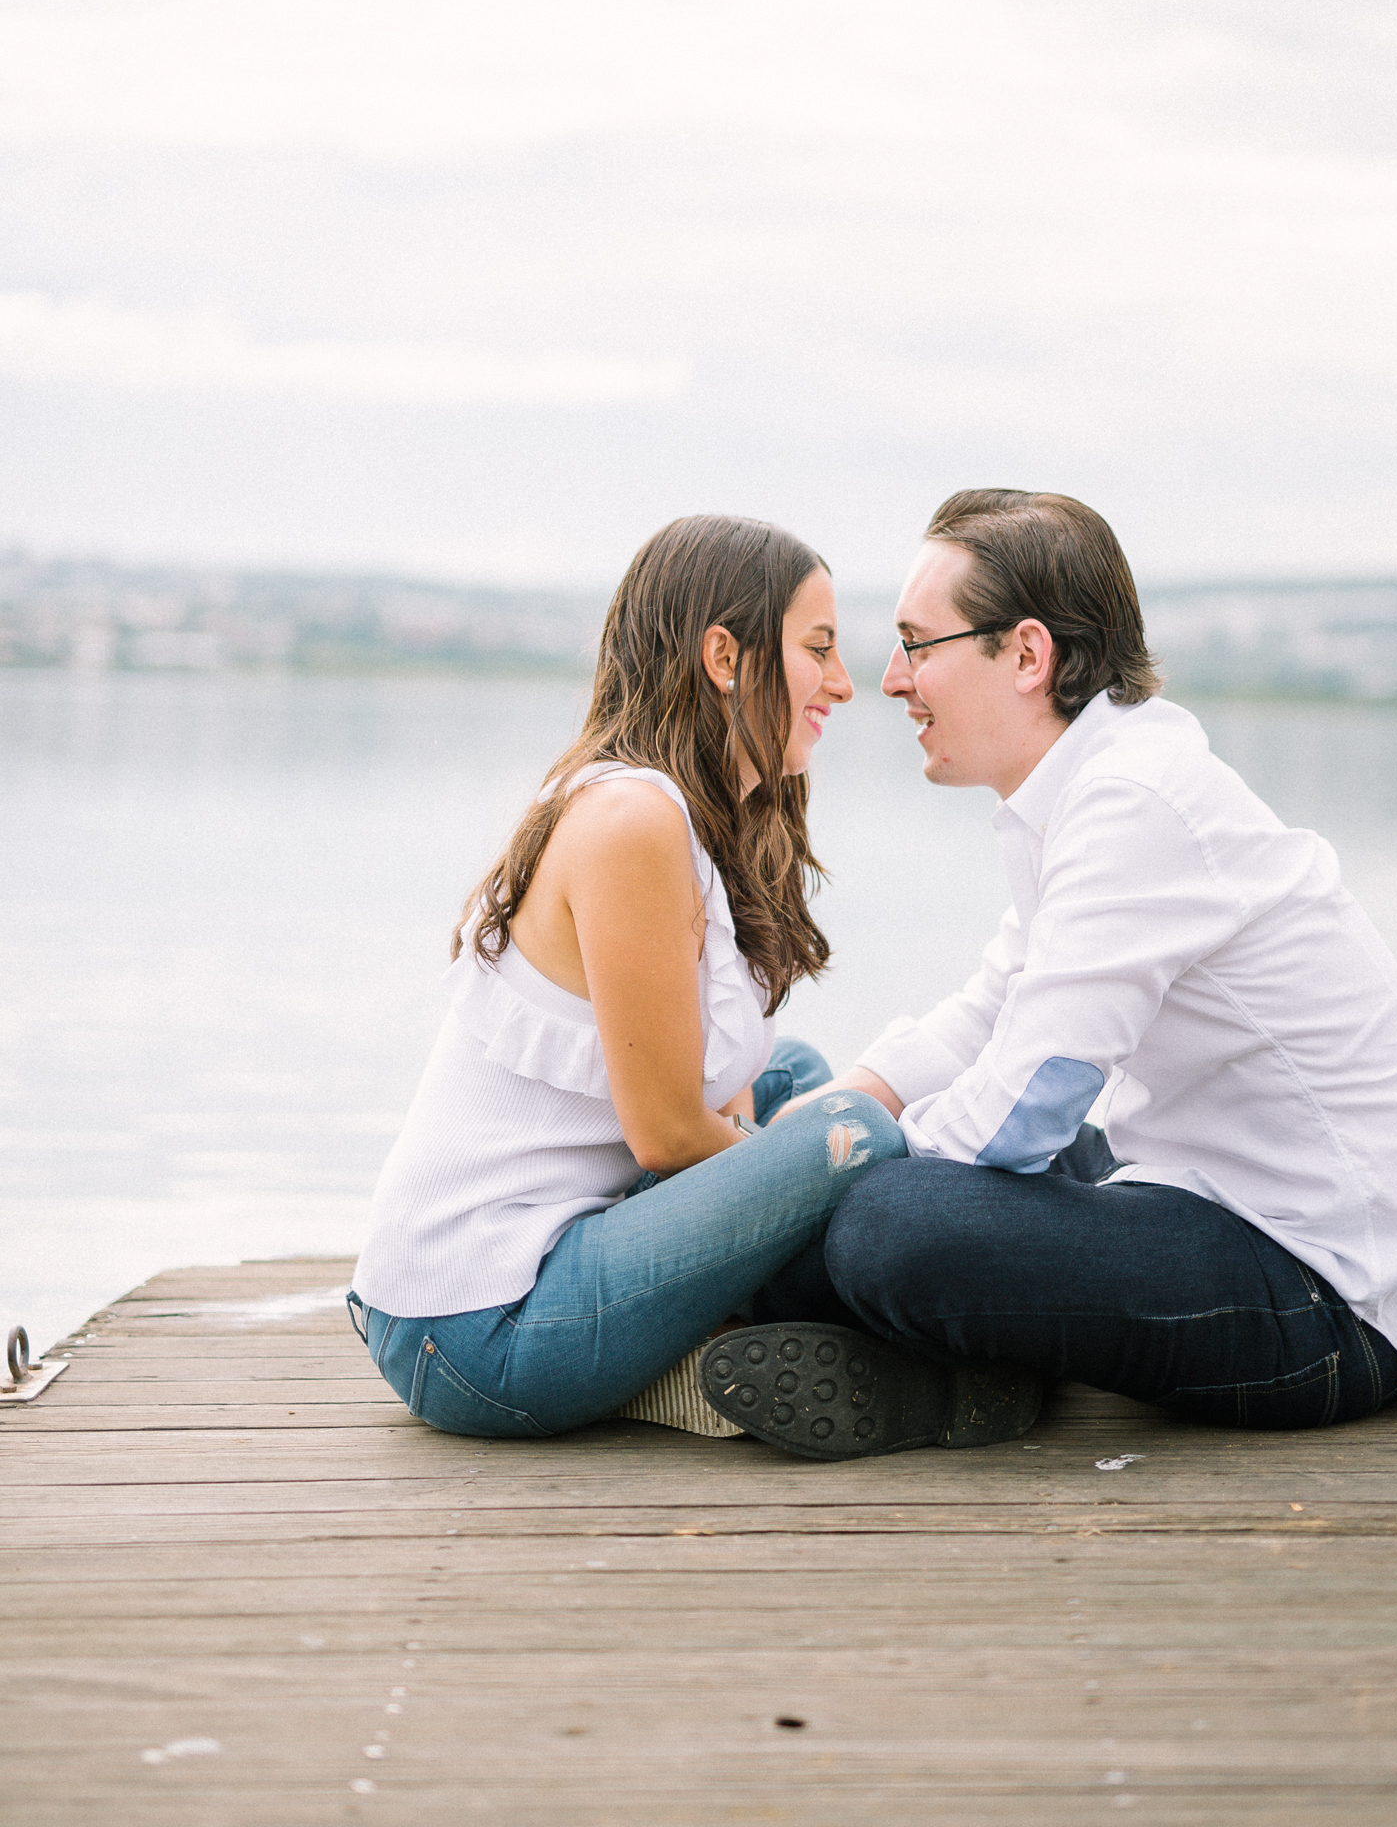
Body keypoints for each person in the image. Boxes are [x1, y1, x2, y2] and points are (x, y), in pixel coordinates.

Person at [701, 488, 1397, 1461]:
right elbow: (986, 1018)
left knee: (884, 1226)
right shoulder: (1089, 791)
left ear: (1027, 655)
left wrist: (813, 1182)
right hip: (1210, 1197)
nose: (893, 679)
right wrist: (841, 1112)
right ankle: (965, 1367)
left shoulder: (1134, 804)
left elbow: (1023, 1104)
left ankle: (932, 1354)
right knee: (845, 1159)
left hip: (1339, 1298)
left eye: (917, 643)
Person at [348, 513, 1036, 1447]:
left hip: (550, 1258)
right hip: (474, 1327)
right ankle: (839, 1351)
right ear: (725, 654)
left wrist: (779, 1172)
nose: (842, 683)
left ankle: (698, 1355)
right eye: (818, 649)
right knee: (851, 1132)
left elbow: (724, 1087)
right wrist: (821, 1173)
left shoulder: (691, 816)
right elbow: (669, 1134)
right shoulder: (630, 822)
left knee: (790, 1074)